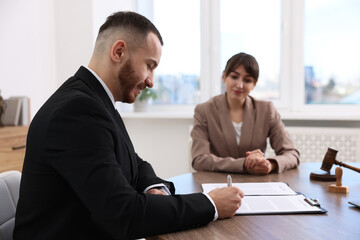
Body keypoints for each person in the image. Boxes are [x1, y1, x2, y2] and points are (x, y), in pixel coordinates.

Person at [13, 11, 244, 240]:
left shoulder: (94, 100)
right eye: (149, 65)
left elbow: (133, 162)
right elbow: (124, 215)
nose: (151, 81)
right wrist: (211, 203)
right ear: (119, 51)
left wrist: (154, 188)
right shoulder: (77, 111)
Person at [191, 52, 300, 175]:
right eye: (234, 77)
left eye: (247, 80)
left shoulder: (266, 110)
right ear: (224, 76)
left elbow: (292, 154)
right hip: (218, 183)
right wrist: (244, 164)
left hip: (257, 182)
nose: (240, 85)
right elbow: (199, 160)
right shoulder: (204, 110)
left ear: (254, 84)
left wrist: (270, 164)